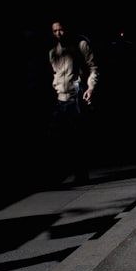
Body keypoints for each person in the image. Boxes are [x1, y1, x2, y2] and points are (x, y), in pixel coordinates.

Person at [48, 17, 99, 184]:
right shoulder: (53, 50)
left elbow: (93, 68)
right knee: (58, 139)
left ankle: (80, 174)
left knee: (77, 138)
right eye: (55, 31)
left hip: (75, 98)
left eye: (60, 30)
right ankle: (60, 173)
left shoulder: (80, 45)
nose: (58, 34)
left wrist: (90, 87)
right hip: (59, 98)